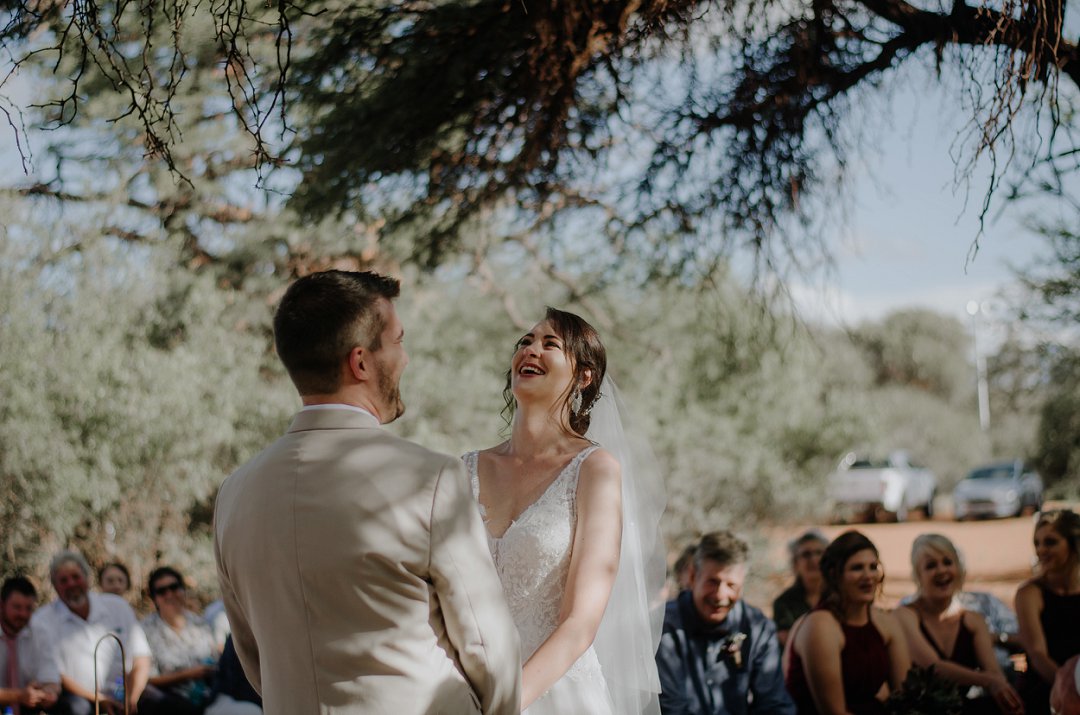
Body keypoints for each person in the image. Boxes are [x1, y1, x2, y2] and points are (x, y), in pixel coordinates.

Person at [214, 270, 520, 714]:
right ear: (360, 363)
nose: (406, 358)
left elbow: (255, 659)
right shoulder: (431, 478)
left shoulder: (234, 495)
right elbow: (487, 647)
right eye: (398, 341)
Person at [463, 307, 666, 714]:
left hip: (556, 696)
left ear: (584, 376)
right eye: (525, 342)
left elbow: (579, 623)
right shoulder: (463, 468)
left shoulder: (594, 470)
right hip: (464, 687)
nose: (530, 350)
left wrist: (503, 704)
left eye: (549, 344)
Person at [655, 531, 795, 715]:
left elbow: (774, 704)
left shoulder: (757, 627)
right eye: (712, 582)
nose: (720, 595)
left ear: (742, 585)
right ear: (692, 577)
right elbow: (671, 708)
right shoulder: (664, 627)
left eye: (731, 585)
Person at [29, 549, 171, 715]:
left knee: (172, 706)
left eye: (76, 577)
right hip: (81, 700)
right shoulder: (43, 620)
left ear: (87, 577)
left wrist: (131, 699)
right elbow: (55, 673)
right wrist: (98, 700)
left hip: (127, 694)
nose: (71, 584)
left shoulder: (117, 606)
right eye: (63, 580)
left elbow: (141, 657)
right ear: (55, 586)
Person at [784, 530, 911, 715]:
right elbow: (834, 712)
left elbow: (906, 696)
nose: (868, 576)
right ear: (835, 574)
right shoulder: (820, 625)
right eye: (857, 568)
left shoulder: (885, 622)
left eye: (873, 566)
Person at [894, 534, 1022, 715]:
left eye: (948, 562)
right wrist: (988, 681)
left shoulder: (973, 620)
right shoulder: (904, 615)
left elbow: (995, 674)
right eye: (931, 565)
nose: (941, 571)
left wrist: (1006, 696)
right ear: (918, 575)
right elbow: (933, 667)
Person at [1016, 509, 1080, 715]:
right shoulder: (1030, 593)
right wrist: (1068, 686)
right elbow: (1037, 654)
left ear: (1073, 544)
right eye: (1037, 543)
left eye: (1050, 542)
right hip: (1047, 685)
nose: (1041, 550)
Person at [141, 567, 227, 713]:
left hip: (208, 695)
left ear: (183, 590)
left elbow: (215, 661)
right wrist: (188, 674)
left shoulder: (199, 623)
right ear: (154, 598)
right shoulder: (144, 630)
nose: (169, 594)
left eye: (174, 587)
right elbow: (146, 679)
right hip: (168, 701)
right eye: (161, 591)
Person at [1, 576, 60, 713]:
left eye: (28, 608)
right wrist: (18, 695)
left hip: (28, 706)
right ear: (2, 605)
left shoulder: (39, 631)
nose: (23, 614)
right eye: (17, 607)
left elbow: (51, 677)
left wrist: (48, 693)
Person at [772, 530, 828, 648]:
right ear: (795, 563)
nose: (813, 559)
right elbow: (789, 642)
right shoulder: (784, 603)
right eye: (806, 554)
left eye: (819, 553)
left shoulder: (841, 597)